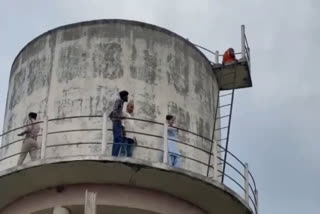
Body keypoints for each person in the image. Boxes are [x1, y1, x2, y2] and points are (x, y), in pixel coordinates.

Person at [109, 90, 129, 156]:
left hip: (117, 122)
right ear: (124, 96)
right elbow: (114, 111)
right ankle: (114, 155)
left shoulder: (121, 103)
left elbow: (113, 113)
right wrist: (120, 117)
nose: (127, 97)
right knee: (119, 139)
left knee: (117, 139)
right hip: (117, 122)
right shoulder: (119, 101)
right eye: (126, 96)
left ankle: (114, 155)